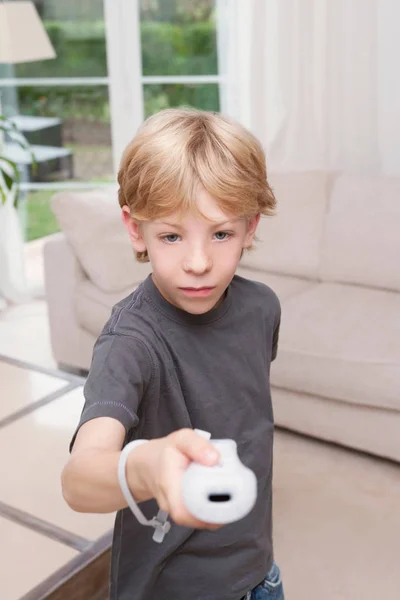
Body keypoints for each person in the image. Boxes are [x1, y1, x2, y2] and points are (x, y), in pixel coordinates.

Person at [61, 107, 284, 600]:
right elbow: (79, 480)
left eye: (221, 233)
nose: (199, 262)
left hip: (259, 575)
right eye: (171, 235)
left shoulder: (262, 308)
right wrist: (142, 465)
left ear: (250, 228)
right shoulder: (130, 342)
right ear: (136, 230)